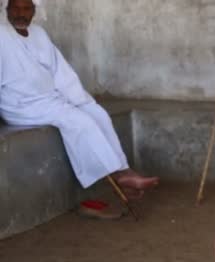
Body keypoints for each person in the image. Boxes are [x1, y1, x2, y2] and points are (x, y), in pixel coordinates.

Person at [0, 0, 159, 198]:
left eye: (26, 8)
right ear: (6, 9)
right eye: (15, 8)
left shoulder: (39, 33)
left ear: (35, 10)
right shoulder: (1, 36)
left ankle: (124, 171)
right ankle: (120, 176)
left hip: (50, 99)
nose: (20, 14)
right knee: (78, 120)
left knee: (97, 113)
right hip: (21, 106)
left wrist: (78, 98)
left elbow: (61, 71)